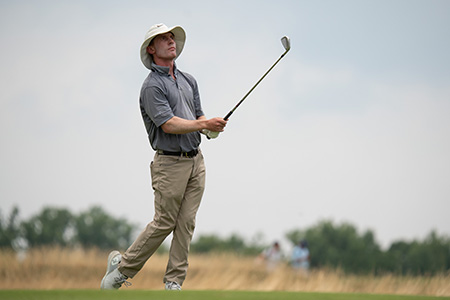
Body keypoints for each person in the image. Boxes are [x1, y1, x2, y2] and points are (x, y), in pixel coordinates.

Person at [100, 23, 227, 291]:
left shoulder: (189, 80)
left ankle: (173, 282)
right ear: (151, 49)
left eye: (172, 38)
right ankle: (122, 270)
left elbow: (197, 116)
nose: (172, 42)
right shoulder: (151, 86)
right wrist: (203, 125)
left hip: (196, 161)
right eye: (164, 39)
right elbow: (168, 124)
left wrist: (209, 126)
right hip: (169, 163)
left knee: (186, 224)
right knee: (164, 223)